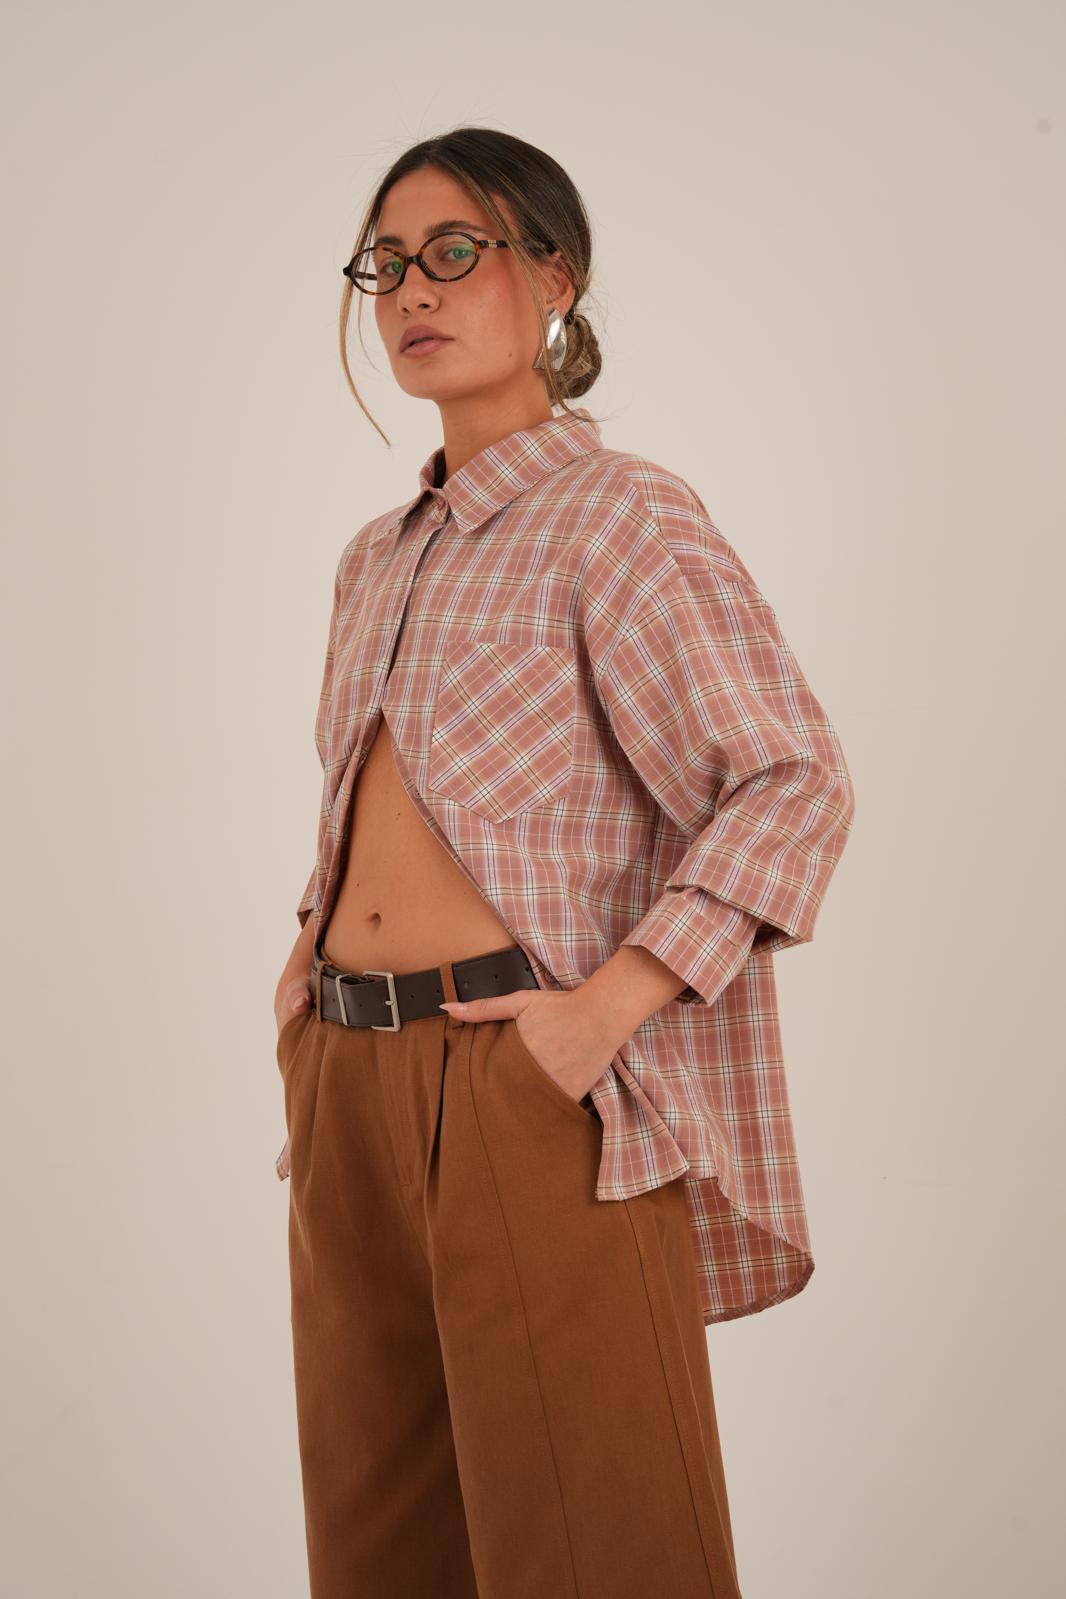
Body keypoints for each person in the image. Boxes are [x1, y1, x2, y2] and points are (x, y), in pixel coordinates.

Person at [272, 125, 855, 1599]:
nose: (412, 289)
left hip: (527, 1081)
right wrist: (299, 982)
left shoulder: (621, 514)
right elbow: (373, 801)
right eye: (386, 264)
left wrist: (609, 1008)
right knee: (378, 1552)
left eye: (452, 251)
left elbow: (791, 778)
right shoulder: (374, 556)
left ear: (554, 280)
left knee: (601, 1552)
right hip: (344, 1083)